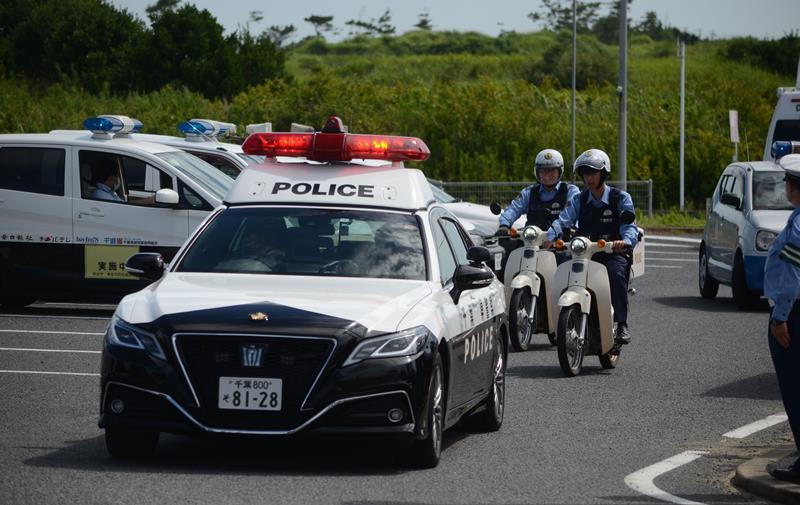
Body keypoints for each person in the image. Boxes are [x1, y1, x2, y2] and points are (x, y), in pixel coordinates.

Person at [542, 148, 638, 344]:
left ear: (603, 173)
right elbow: (563, 220)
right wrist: (550, 237)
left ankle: (621, 324)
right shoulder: (578, 199)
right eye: (585, 173)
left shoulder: (620, 198)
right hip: (584, 254)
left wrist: (626, 242)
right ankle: (560, 320)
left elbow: (629, 227)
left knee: (615, 274)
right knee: (564, 272)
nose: (589, 178)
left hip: (613, 252)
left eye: (593, 172)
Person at [763, 153, 800, 484]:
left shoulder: (798, 223)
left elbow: (791, 275)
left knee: (794, 387)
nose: (787, 187)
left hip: (793, 313)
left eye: (789, 183)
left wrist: (780, 318)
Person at [497, 148, 580, 234]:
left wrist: (575, 229)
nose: (548, 175)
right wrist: (504, 225)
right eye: (544, 171)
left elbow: (578, 212)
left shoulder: (570, 191)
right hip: (532, 240)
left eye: (552, 171)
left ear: (559, 172)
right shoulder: (529, 192)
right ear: (537, 172)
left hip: (562, 242)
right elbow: (514, 209)